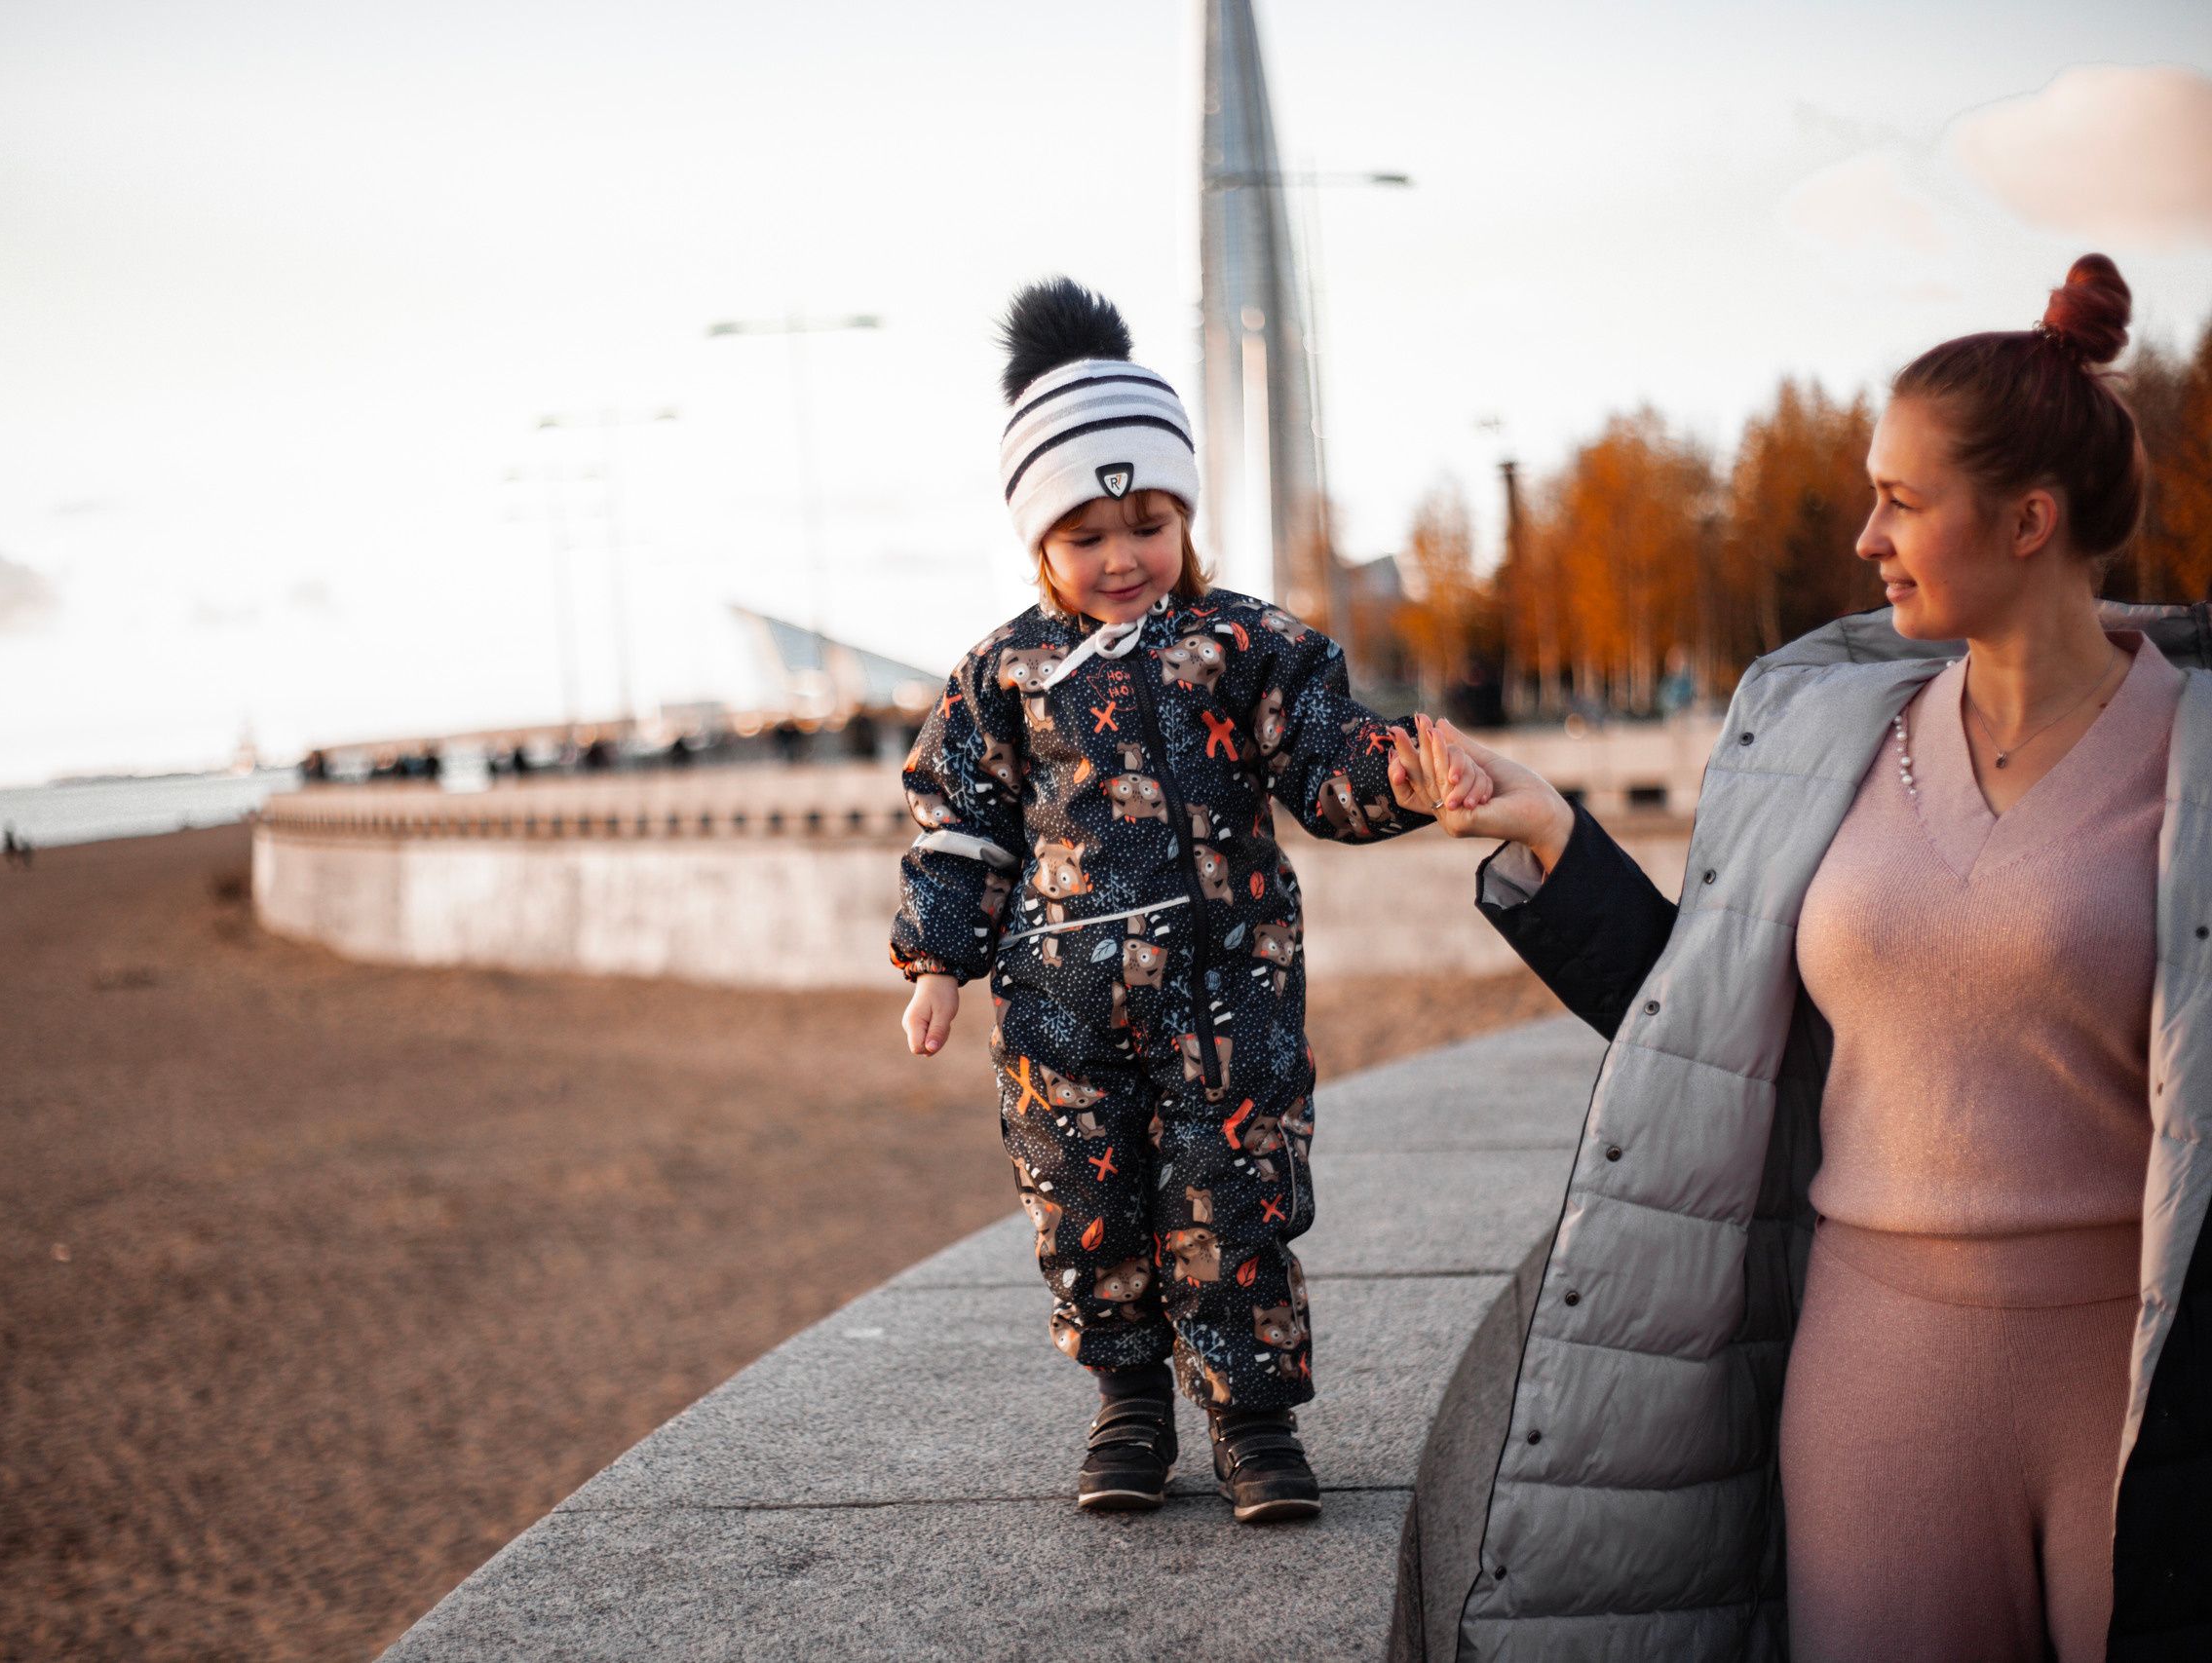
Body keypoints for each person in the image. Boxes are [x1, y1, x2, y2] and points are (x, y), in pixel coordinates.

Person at [1390, 254, 2210, 1661]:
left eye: (1901, 499)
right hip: (1876, 1381)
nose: (1864, 537)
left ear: (2029, 518)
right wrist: (1548, 835)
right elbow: (1705, 1028)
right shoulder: (1817, 740)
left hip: (2143, 1395)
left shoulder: (2198, 750)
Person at [893, 279, 1483, 1523]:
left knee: (1233, 1192)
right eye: (1086, 537)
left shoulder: (1248, 643)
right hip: (1060, 1011)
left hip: (1230, 994)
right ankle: (1130, 1410)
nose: (1121, 559)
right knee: (1086, 1204)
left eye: (1148, 524)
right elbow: (962, 825)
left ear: (1185, 518)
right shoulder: (1003, 674)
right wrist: (938, 959)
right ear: (1037, 544)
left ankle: (1254, 1422)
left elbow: (1323, 765)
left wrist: (1407, 775)